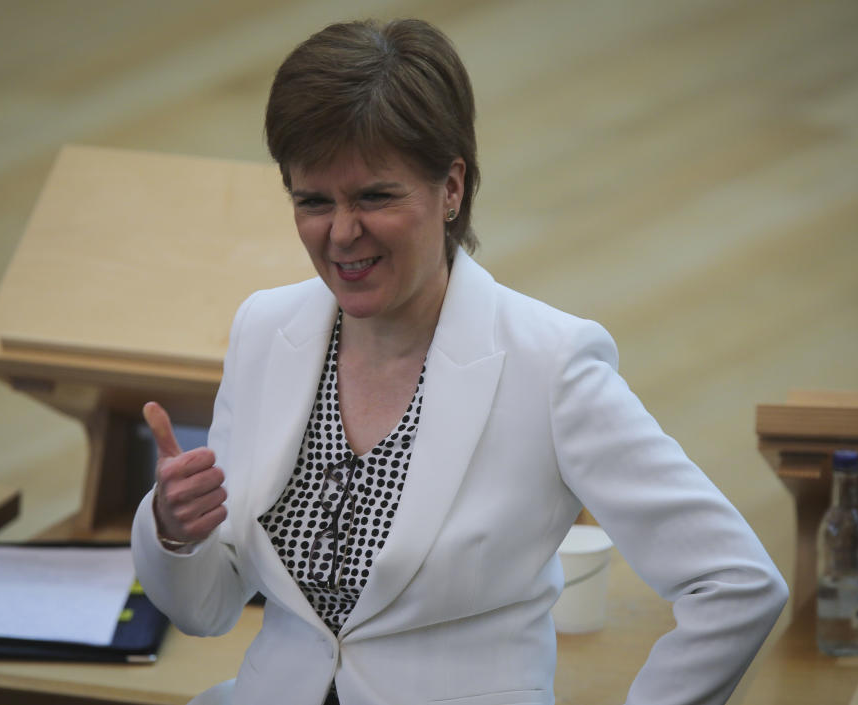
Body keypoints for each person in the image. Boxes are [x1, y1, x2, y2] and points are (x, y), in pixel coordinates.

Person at [131, 18, 788, 705]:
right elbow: (205, 608)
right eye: (313, 201)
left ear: (450, 187)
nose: (342, 232)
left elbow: (736, 584)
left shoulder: (551, 365)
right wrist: (174, 533)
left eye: (374, 196)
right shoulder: (265, 329)